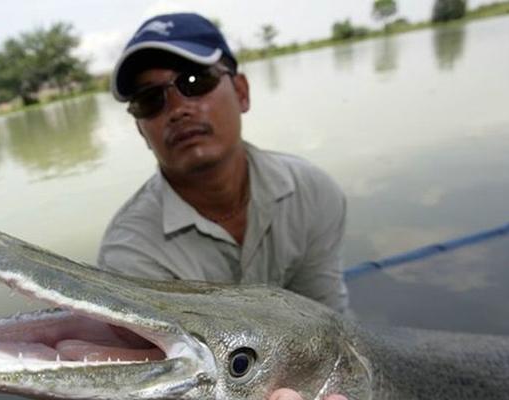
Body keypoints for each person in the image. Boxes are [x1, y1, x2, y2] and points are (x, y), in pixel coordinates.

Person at [98, 12, 349, 400]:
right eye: (151, 100)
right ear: (141, 130)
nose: (178, 108)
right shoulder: (129, 254)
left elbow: (333, 331)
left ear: (243, 92)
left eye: (195, 82)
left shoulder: (312, 192)